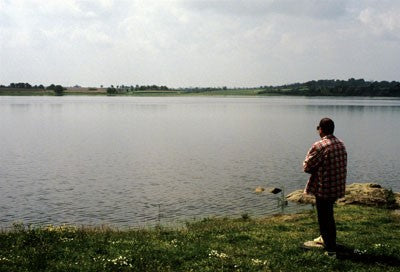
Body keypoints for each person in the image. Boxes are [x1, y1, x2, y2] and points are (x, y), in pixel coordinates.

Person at [303, 118, 347, 254]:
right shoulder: (341, 144)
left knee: (324, 216)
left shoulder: (319, 146)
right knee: (329, 214)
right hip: (337, 186)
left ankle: (329, 244)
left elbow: (307, 166)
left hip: (324, 187)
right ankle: (329, 239)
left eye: (318, 128)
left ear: (320, 129)